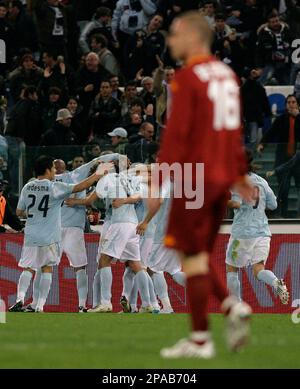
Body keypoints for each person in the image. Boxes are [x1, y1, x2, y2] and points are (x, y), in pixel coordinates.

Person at [148, 11, 253, 359]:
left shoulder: (189, 77)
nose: (170, 41)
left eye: (175, 34)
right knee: (198, 255)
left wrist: (158, 179)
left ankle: (200, 339)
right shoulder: (226, 75)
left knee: (190, 256)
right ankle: (229, 306)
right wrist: (239, 175)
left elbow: (176, 136)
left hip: (195, 176)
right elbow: (234, 132)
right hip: (222, 179)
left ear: (194, 37)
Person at [8, 155, 112, 312]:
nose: (55, 171)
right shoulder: (54, 187)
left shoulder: (27, 187)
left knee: (29, 267)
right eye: (53, 168)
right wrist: (99, 173)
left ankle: (20, 298)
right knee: (48, 268)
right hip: (50, 235)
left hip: (30, 235)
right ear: (48, 169)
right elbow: (80, 187)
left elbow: (19, 211)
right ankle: (42, 306)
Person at [226, 150, 289, 304]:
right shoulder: (261, 181)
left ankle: (236, 305)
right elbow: (273, 205)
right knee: (258, 269)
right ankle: (275, 282)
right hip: (262, 232)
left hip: (242, 233)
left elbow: (236, 203)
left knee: (232, 269)